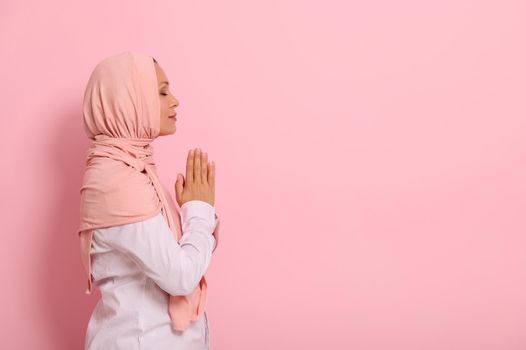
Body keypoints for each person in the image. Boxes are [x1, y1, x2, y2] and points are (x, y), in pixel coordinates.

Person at [77, 51, 220, 349]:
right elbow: (181, 276)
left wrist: (190, 216)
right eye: (162, 91)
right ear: (129, 101)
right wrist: (199, 212)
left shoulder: (133, 171)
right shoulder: (118, 183)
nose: (175, 101)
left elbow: (172, 258)